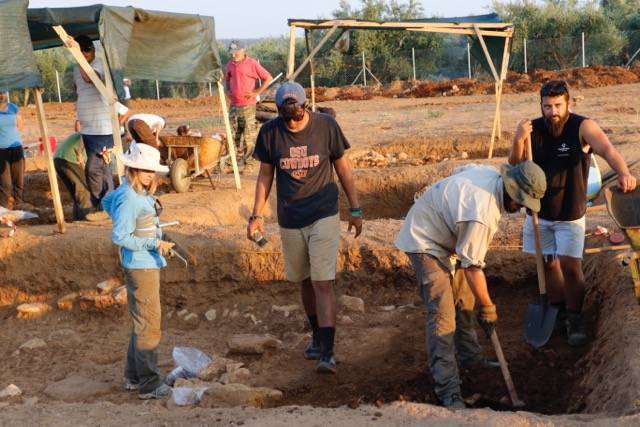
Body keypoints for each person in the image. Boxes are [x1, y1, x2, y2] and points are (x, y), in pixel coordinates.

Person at [395, 161, 547, 410]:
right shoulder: (481, 215)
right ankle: (448, 391)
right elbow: (473, 267)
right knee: (443, 317)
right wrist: (488, 307)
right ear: (510, 189)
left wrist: (450, 208)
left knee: (464, 300)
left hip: (447, 236)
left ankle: (470, 358)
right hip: (424, 240)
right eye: (521, 201)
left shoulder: (489, 173)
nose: (522, 208)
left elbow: (459, 171)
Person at [509, 80, 637, 346]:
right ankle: (557, 311)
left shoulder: (582, 126)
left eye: (558, 105)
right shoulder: (533, 130)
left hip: (570, 212)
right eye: (547, 106)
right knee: (549, 263)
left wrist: (624, 172)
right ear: (541, 105)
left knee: (570, 265)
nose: (552, 111)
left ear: (569, 103)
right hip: (539, 212)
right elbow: (515, 165)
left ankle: (575, 317)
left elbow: (607, 149)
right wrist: (518, 139)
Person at [247, 81, 362, 374]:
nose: (291, 121)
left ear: (305, 106)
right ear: (278, 111)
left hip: (323, 213)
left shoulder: (326, 126)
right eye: (285, 116)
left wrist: (355, 209)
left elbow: (343, 169)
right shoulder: (269, 132)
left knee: (322, 282)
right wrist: (256, 215)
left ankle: (328, 353)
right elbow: (265, 176)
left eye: (296, 114)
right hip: (290, 217)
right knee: (306, 281)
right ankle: (317, 336)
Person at [102, 141, 174, 400]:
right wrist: (152, 242)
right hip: (142, 265)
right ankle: (150, 385)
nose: (150, 174)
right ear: (132, 169)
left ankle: (134, 377)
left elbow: (106, 200)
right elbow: (119, 236)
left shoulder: (130, 192)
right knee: (149, 326)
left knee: (142, 323)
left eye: (152, 170)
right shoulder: (131, 197)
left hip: (142, 263)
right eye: (145, 169)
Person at [66, 34, 115, 215]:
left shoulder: (98, 65)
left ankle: (99, 204)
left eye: (87, 49)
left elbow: (89, 79)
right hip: (88, 128)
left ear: (93, 50)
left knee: (93, 169)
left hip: (102, 128)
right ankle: (109, 204)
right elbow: (79, 89)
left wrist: (78, 54)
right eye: (81, 50)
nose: (85, 53)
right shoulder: (76, 69)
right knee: (102, 169)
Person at [225, 40, 273, 174]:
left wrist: (257, 93)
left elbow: (268, 78)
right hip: (233, 106)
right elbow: (227, 78)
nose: (233, 55)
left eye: (235, 53)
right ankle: (230, 163)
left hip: (248, 106)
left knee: (248, 135)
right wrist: (227, 90)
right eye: (231, 53)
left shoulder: (251, 63)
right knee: (232, 135)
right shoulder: (230, 64)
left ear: (242, 50)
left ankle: (249, 164)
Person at [53, 131, 93, 221]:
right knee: (84, 190)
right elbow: (85, 134)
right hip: (71, 158)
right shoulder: (95, 130)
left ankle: (77, 220)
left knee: (77, 193)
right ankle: (86, 219)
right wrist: (79, 152)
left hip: (60, 159)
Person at [0, 91, 25, 209]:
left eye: (3, 93)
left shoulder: (13, 107)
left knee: (18, 181)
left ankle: (20, 206)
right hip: (1, 150)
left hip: (16, 147)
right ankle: (3, 209)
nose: (1, 96)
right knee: (5, 184)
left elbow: (20, 126)